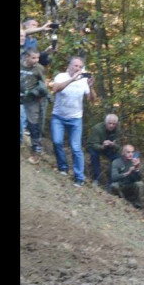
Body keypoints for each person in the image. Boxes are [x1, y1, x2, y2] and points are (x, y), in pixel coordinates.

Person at [51, 56, 94, 187]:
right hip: (58, 117)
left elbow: (92, 100)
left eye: (80, 67)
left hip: (75, 118)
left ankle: (79, 177)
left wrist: (91, 87)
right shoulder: (61, 76)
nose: (78, 69)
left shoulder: (84, 81)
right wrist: (72, 79)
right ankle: (63, 168)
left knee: (76, 148)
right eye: (76, 66)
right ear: (69, 66)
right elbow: (55, 89)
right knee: (57, 141)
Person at [20, 48, 49, 163]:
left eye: (37, 57)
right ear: (26, 57)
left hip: (32, 99)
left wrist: (38, 93)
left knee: (33, 125)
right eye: (33, 58)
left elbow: (44, 84)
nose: (36, 60)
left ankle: (36, 151)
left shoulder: (39, 68)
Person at [85, 114, 121, 186]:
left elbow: (118, 146)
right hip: (94, 146)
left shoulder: (117, 130)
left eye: (114, 124)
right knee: (94, 155)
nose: (111, 126)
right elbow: (93, 144)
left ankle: (112, 181)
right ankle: (96, 178)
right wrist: (102, 146)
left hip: (108, 147)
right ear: (106, 122)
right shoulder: (97, 128)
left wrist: (113, 145)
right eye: (110, 123)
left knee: (117, 158)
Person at [109, 145, 144, 209]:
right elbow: (113, 177)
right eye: (128, 152)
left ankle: (137, 203)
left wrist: (136, 169)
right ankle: (123, 202)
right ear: (123, 153)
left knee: (140, 184)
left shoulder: (134, 162)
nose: (131, 154)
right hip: (121, 185)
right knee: (114, 185)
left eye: (132, 152)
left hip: (130, 186)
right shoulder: (116, 162)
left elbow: (138, 179)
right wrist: (127, 173)